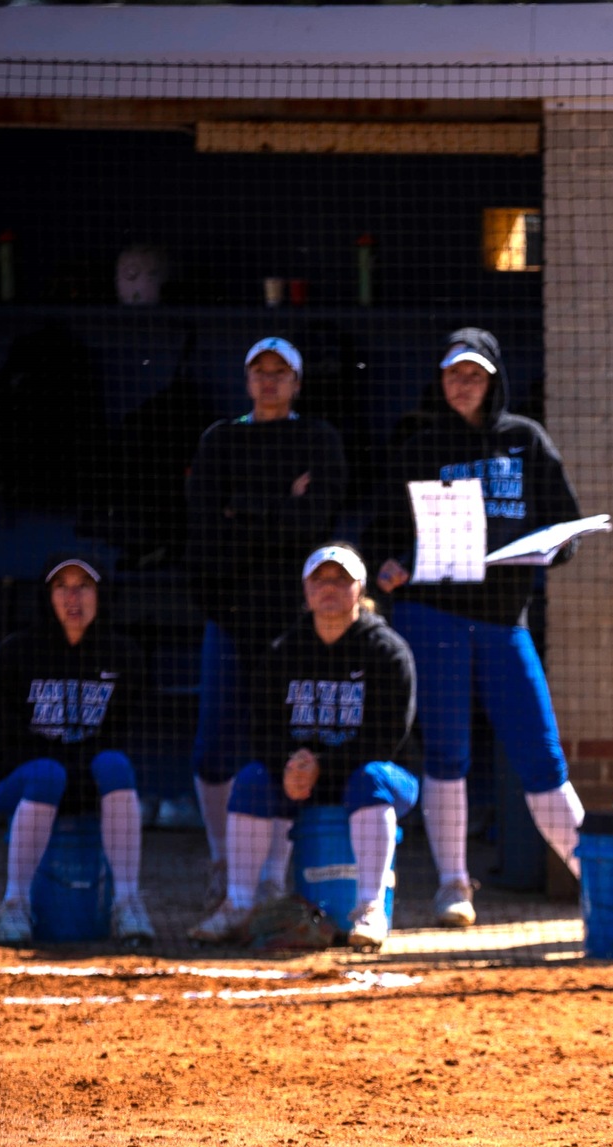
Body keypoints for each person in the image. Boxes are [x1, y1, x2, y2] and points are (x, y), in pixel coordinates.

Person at [368, 330, 586, 927]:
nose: (462, 384)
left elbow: (563, 524)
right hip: (431, 615)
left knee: (540, 750)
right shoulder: (419, 444)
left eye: (474, 374)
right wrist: (388, 564)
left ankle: (595, 879)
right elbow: (382, 528)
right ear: (440, 381)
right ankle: (453, 885)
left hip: (502, 618)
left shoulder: (526, 440)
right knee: (447, 752)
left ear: (493, 380)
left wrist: (549, 551)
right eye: (453, 374)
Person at [184, 337, 348, 907]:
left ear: (298, 382)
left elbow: (317, 521)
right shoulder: (219, 439)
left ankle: (273, 876)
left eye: (281, 373)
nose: (270, 381)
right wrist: (283, 506)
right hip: (228, 615)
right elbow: (207, 528)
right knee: (213, 746)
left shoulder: (318, 439)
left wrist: (245, 512)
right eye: (260, 371)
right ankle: (223, 861)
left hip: (294, 622)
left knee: (284, 742)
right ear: (247, 379)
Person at [191, 545, 418, 950]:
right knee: (253, 779)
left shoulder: (387, 651)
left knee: (370, 778)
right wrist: (286, 764)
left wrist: (322, 767)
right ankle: (238, 905)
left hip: (382, 776)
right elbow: (260, 729)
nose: (329, 588)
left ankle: (370, 909)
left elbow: (386, 738)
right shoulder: (283, 651)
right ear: (306, 589)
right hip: (299, 776)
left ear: (360, 587)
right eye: (320, 579)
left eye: (340, 579)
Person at [0, 557, 152, 943]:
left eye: (84, 586)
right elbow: (8, 742)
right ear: (48, 595)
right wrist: (65, 769)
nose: (73, 597)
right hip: (23, 780)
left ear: (100, 594)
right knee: (47, 774)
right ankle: (14, 905)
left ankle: (126, 903)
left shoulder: (124, 655)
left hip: (88, 779)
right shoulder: (16, 653)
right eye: (63, 586)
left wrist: (76, 770)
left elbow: (125, 737)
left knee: (115, 766)